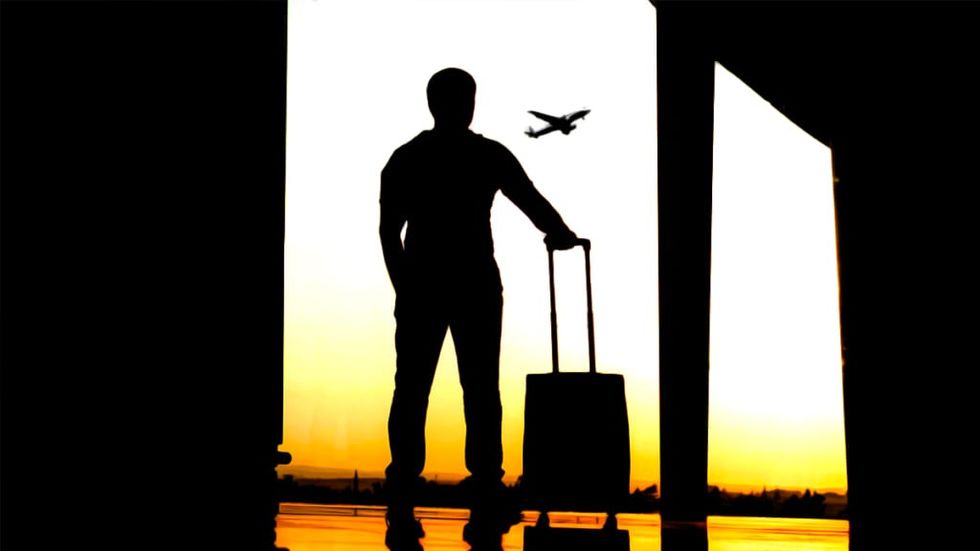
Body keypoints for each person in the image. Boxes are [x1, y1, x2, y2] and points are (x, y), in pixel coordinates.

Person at [380, 67, 578, 545]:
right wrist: (559, 231)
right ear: (462, 104)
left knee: (413, 390)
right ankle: (485, 486)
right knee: (479, 390)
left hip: (426, 284)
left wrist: (404, 287)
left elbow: (390, 231)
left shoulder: (408, 158)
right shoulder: (486, 155)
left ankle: (405, 487)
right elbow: (528, 199)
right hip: (472, 285)